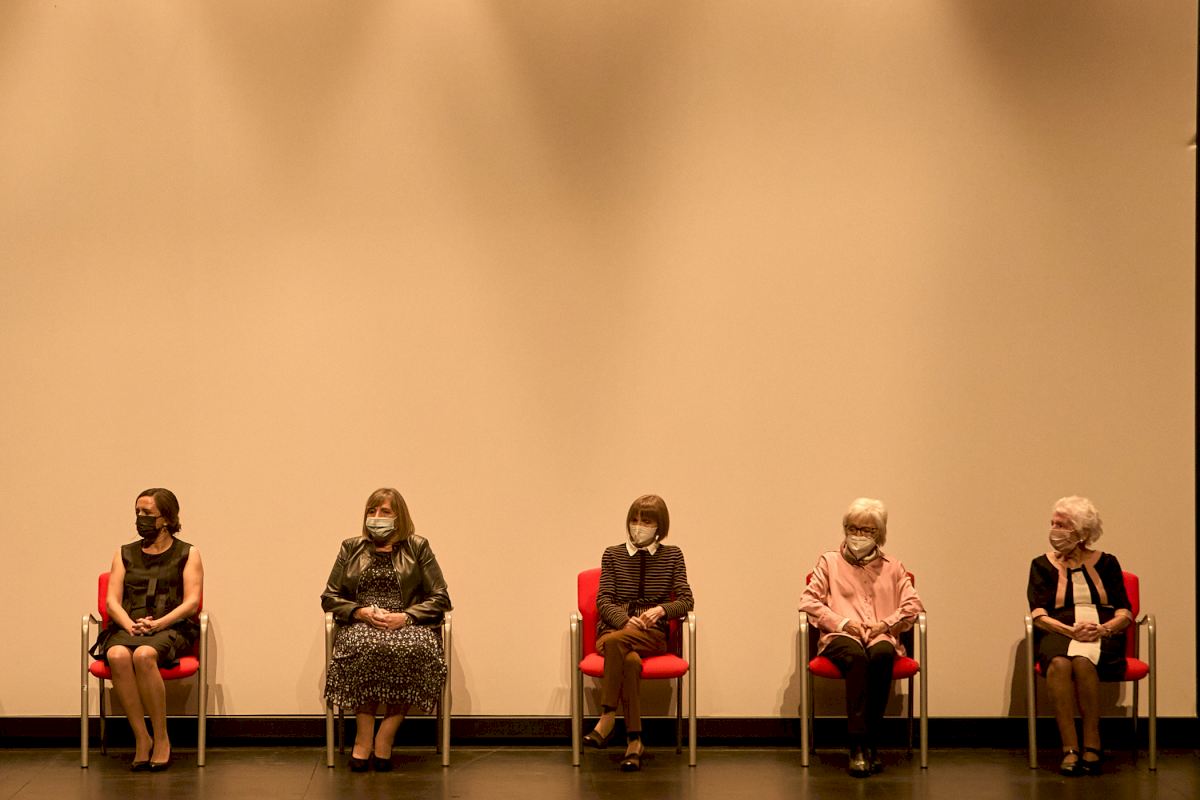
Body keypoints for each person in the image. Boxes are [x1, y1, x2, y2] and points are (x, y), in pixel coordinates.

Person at [321, 488, 451, 772]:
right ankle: (363, 737)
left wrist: (406, 617)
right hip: (363, 623)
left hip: (407, 622)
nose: (376, 517)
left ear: (398, 516)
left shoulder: (418, 547)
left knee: (414, 648)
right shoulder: (350, 547)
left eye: (385, 511)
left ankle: (386, 736)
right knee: (363, 647)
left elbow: (441, 597)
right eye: (372, 511)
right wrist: (360, 612)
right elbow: (329, 597)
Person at [798, 498, 924, 778]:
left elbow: (913, 605)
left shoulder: (893, 567)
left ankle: (872, 743)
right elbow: (808, 601)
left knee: (881, 654)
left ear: (880, 534)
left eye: (867, 530)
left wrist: (885, 624)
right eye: (853, 528)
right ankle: (857, 745)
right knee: (856, 656)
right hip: (840, 635)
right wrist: (843, 622)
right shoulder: (829, 562)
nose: (859, 535)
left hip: (880, 635)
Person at [94, 488, 204, 772]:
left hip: (170, 626)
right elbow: (111, 601)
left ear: (166, 518)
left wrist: (158, 623)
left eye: (147, 513)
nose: (140, 518)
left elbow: (192, 602)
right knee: (117, 655)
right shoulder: (124, 553)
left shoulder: (188, 553)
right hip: (129, 624)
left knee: (144, 655)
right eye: (137, 512)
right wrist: (129, 624)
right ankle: (142, 738)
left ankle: (162, 738)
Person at [582, 494, 694, 772]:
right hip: (613, 631)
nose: (638, 526)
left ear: (659, 526)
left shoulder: (673, 555)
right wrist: (624, 622)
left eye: (646, 521)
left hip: (651, 634)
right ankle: (634, 741)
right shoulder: (613, 554)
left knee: (618, 646)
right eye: (634, 520)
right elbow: (603, 600)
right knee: (628, 659)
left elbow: (686, 600)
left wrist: (661, 610)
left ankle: (607, 715)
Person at [1027, 496, 1131, 776]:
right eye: (1052, 523)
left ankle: (1093, 743)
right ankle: (1070, 748)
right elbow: (1038, 613)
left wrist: (1104, 629)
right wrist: (1069, 630)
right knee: (1059, 663)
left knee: (1084, 662)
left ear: (1081, 532)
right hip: (1059, 630)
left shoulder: (1107, 563)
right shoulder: (1041, 564)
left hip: (1103, 629)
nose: (1054, 530)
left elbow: (1125, 611)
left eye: (1061, 525)